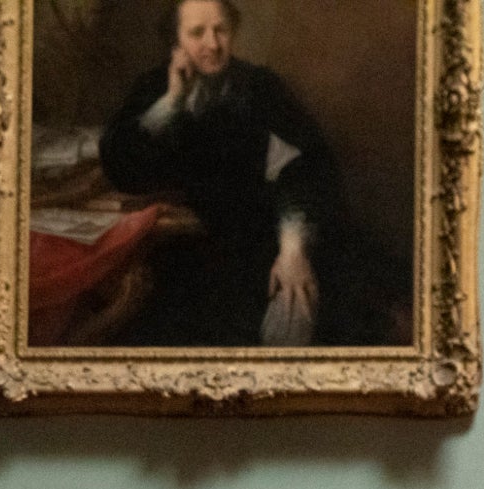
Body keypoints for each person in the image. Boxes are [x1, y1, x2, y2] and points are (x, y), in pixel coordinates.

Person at [96, 0, 398, 346]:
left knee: (307, 308)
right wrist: (171, 103)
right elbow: (120, 166)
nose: (212, 43)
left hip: (263, 238)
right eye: (197, 33)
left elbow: (307, 168)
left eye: (220, 30)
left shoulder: (260, 88)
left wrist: (293, 250)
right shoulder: (153, 88)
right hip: (184, 250)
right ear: (176, 41)